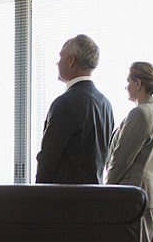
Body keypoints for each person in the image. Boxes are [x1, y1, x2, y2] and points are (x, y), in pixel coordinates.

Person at [35, 34, 114, 184]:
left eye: (61, 56)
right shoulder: (106, 105)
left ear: (71, 61)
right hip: (95, 198)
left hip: (65, 199)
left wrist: (36, 197)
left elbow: (48, 159)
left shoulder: (64, 103)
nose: (57, 63)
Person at [106, 62, 153, 242]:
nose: (126, 87)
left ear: (138, 83)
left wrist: (106, 191)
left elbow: (121, 158)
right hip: (150, 193)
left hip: (135, 196)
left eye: (128, 81)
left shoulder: (140, 113)